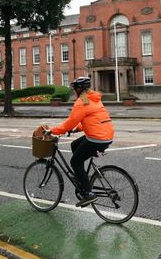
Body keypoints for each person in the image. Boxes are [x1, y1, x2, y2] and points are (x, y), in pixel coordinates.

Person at [41, 76, 114, 206]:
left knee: (75, 162)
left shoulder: (82, 102)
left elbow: (70, 122)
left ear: (80, 89)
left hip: (96, 138)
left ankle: (88, 193)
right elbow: (92, 118)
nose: (74, 92)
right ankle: (82, 178)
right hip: (106, 135)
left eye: (74, 89)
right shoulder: (93, 99)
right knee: (74, 144)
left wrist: (53, 131)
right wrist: (77, 129)